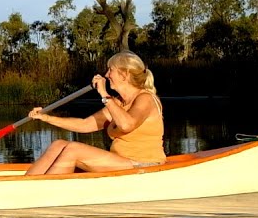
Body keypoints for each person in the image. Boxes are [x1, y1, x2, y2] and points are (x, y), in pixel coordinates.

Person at [24, 50, 165, 175]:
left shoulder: (145, 98)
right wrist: (46, 118)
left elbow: (127, 125)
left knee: (73, 149)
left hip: (144, 164)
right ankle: (26, 185)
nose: (107, 75)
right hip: (122, 161)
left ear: (124, 75)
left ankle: (44, 190)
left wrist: (104, 94)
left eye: (111, 70)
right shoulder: (117, 103)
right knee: (58, 144)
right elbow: (85, 124)